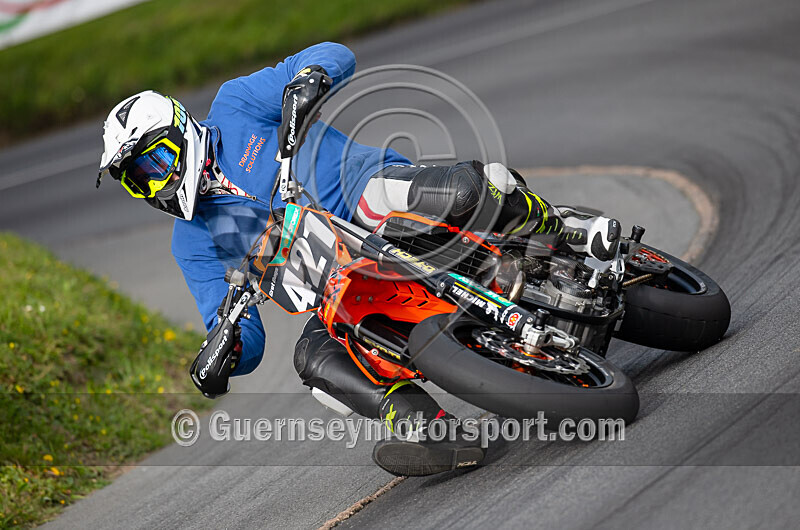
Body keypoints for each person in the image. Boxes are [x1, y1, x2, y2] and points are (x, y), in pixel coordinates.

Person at [97, 42, 620, 477]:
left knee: (461, 193)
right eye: (139, 179)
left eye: (157, 161)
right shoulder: (191, 242)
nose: (155, 184)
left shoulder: (235, 105)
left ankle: (564, 229)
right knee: (315, 363)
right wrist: (226, 352)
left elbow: (333, 54)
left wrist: (310, 77)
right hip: (338, 284)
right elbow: (239, 329)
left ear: (180, 129)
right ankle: (433, 431)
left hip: (369, 197)